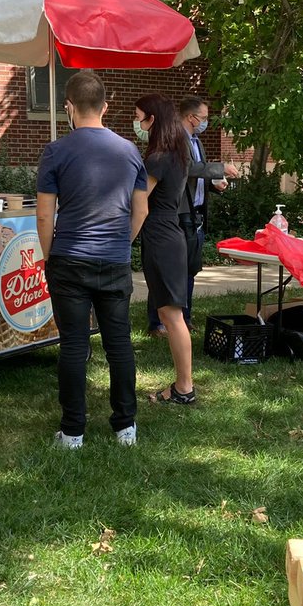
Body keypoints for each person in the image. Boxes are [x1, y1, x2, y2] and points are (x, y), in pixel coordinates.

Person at [37, 71, 148, 448]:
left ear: (68, 107)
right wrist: (122, 241)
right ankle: (125, 428)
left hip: (68, 258)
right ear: (105, 106)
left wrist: (49, 254)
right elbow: (141, 209)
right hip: (113, 261)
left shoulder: (56, 151)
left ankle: (72, 433)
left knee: (72, 345)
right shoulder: (130, 151)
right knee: (119, 345)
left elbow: (44, 214)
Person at [146, 96, 238, 339]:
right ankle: (157, 322)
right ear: (191, 117)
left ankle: (184, 318)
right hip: (177, 214)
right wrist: (220, 167)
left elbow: (194, 177)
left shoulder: (197, 141)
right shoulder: (176, 141)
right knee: (167, 271)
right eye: (204, 118)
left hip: (196, 213)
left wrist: (213, 184)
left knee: (190, 269)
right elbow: (188, 168)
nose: (205, 123)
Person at [134, 94, 199, 404]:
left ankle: (184, 388)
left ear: (153, 120)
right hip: (168, 236)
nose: (138, 125)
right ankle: (182, 386)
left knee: (173, 317)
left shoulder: (158, 158)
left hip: (160, 239)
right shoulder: (176, 153)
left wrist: (125, 239)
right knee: (169, 313)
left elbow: (140, 206)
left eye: (140, 118)